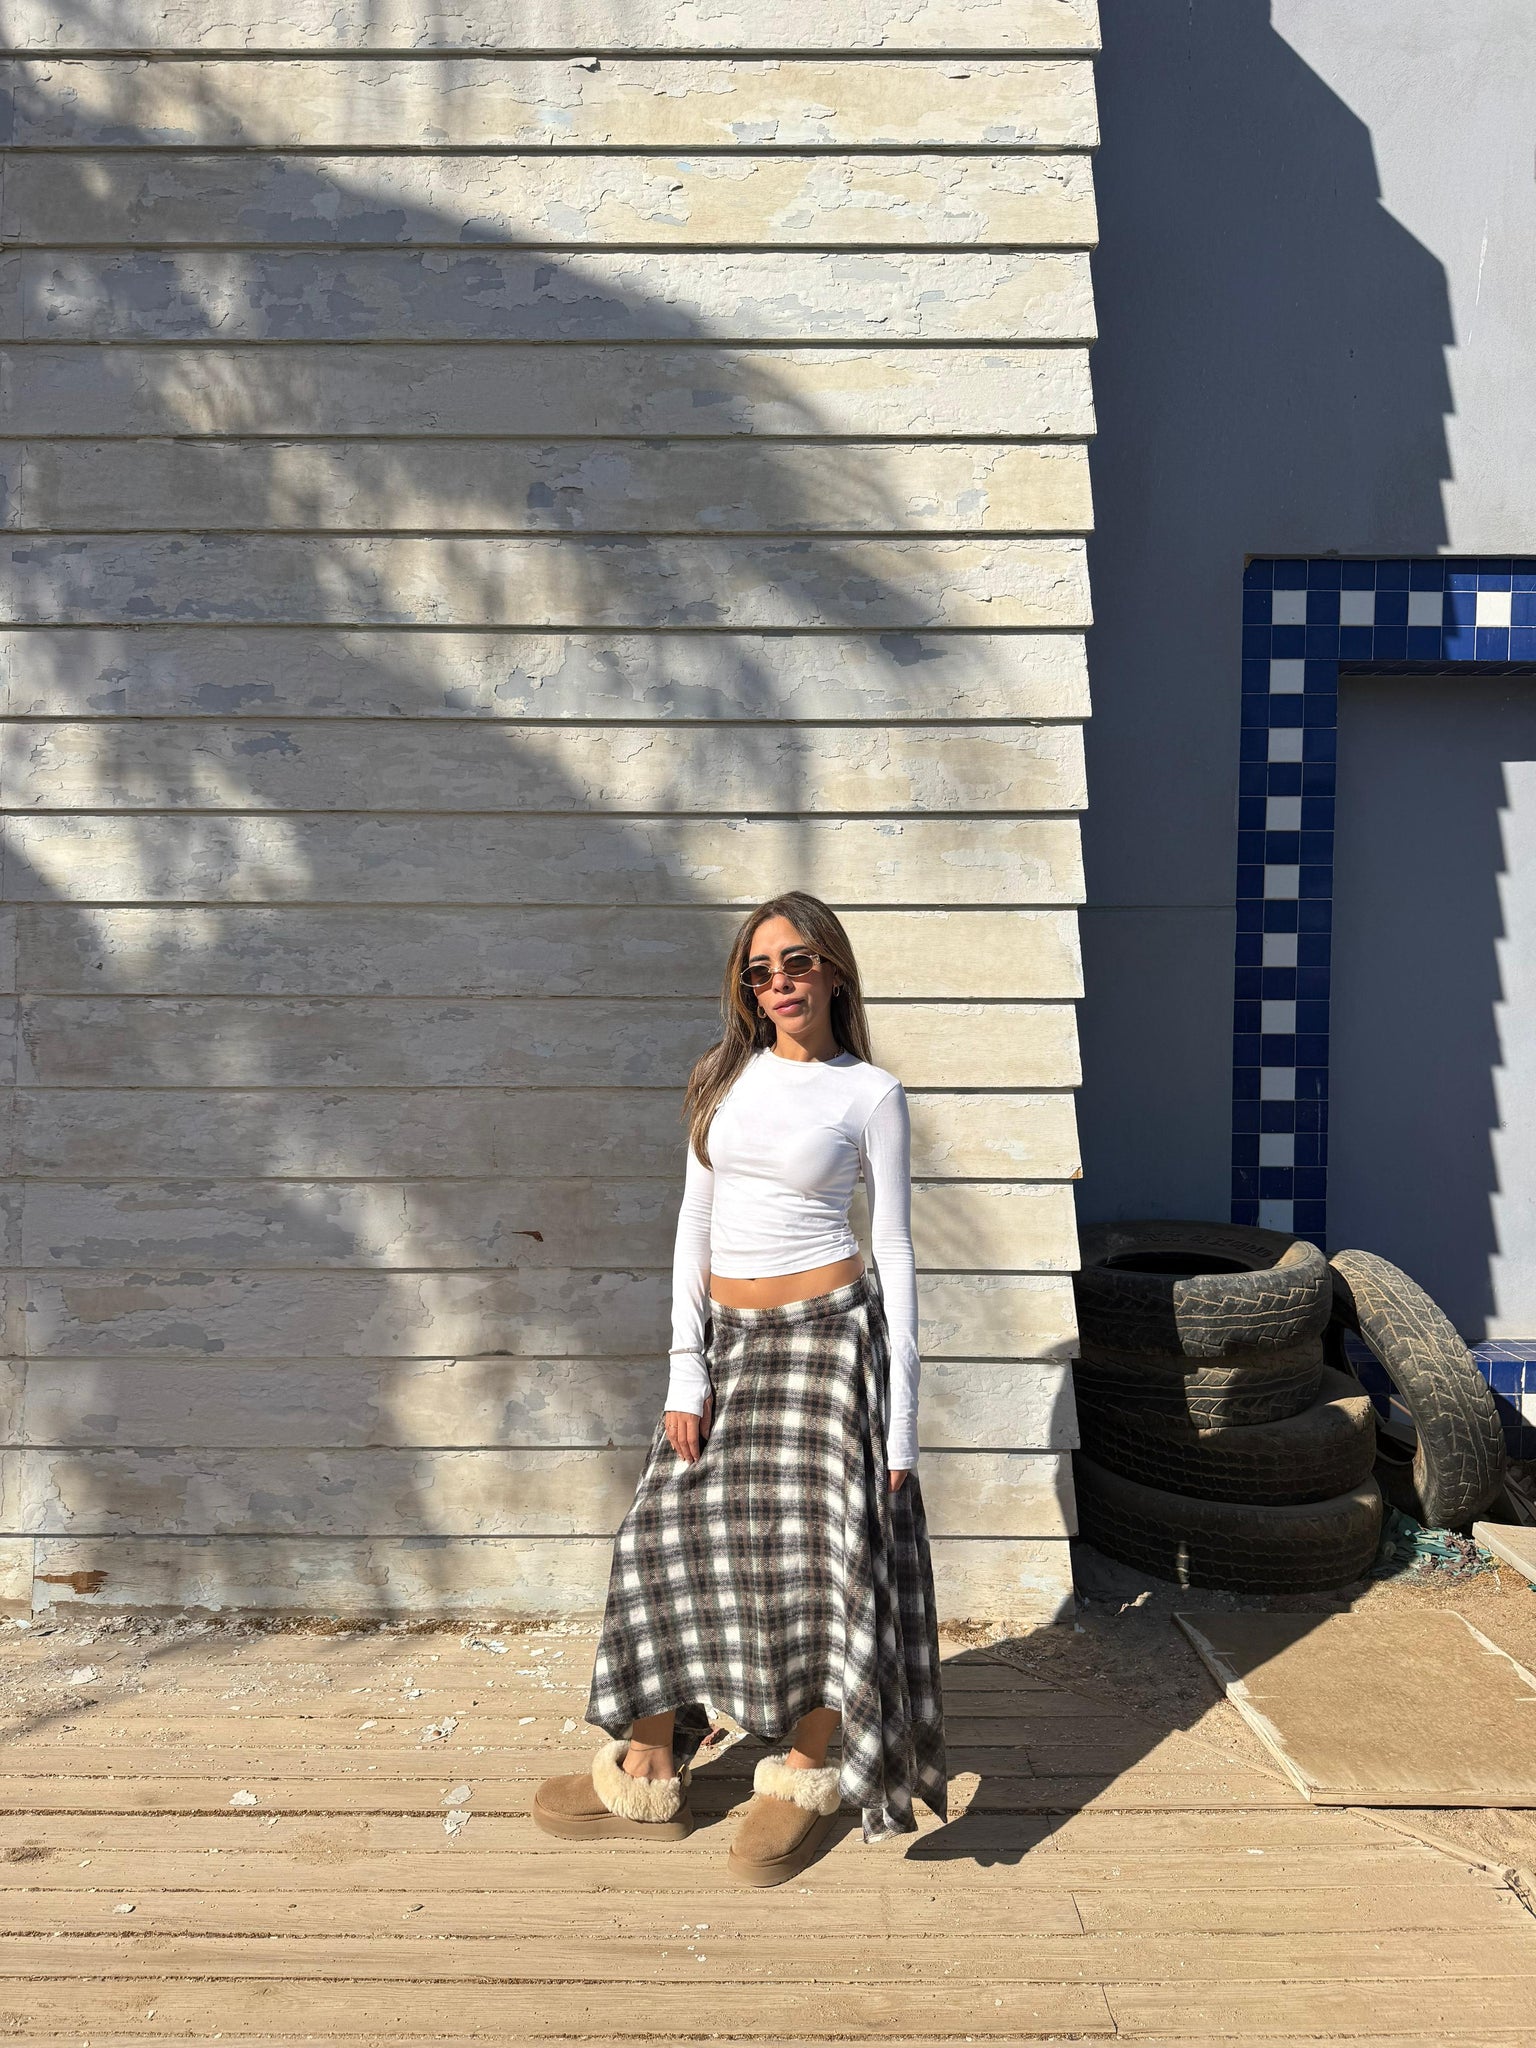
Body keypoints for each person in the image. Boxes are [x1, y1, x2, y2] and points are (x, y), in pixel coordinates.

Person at [533, 891, 947, 1884]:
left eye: (796, 962)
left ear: (833, 968)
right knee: (659, 1538)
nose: (779, 983)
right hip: (729, 1340)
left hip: (828, 1343)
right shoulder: (722, 1076)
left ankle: (804, 1771)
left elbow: (893, 1246)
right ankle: (649, 1762)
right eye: (760, 971)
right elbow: (695, 1221)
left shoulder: (869, 1094)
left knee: (823, 1558)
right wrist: (687, 1361)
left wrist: (902, 1421)